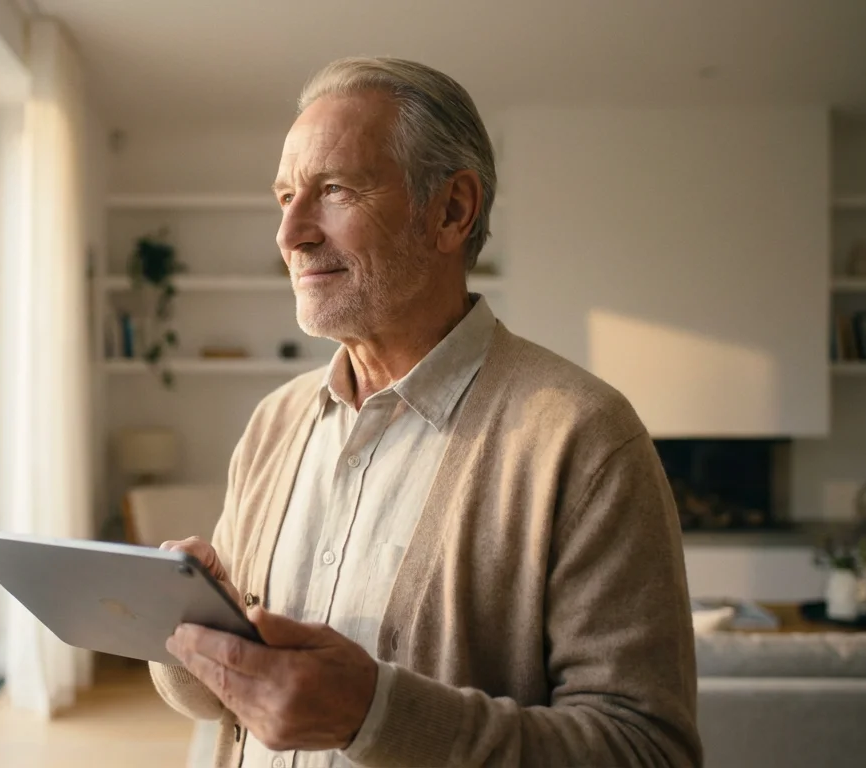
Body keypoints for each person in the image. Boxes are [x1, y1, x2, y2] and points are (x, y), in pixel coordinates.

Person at [150, 56, 701, 768]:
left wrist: (374, 715)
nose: (291, 235)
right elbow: (229, 705)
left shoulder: (584, 438)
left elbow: (648, 751)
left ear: (451, 211)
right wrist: (196, 632)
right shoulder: (275, 423)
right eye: (285, 197)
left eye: (335, 190)